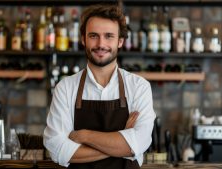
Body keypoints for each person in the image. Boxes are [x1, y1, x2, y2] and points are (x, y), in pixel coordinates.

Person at [43, 4, 156, 169]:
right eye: (94, 36)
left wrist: (84, 135)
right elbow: (58, 149)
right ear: (83, 39)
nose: (101, 44)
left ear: (120, 41)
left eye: (109, 36)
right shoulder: (65, 88)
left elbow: (139, 143)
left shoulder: (139, 87)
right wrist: (120, 142)